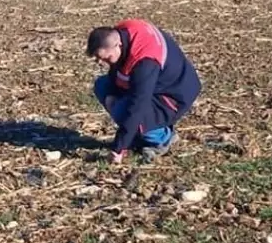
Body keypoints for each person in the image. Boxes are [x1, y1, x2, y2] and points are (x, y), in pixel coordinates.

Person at [86, 19, 202, 163]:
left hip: (174, 93)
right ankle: (135, 132)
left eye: (106, 58)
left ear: (118, 45)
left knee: (124, 111)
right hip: (153, 83)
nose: (101, 63)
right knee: (103, 86)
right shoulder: (125, 31)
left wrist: (118, 148)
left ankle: (162, 137)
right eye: (98, 58)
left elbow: (138, 105)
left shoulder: (145, 62)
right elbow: (119, 71)